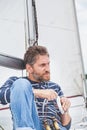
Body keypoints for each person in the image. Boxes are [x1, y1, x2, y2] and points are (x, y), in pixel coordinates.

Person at [0, 45, 71, 130]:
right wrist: (36, 92)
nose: (48, 69)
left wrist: (65, 110)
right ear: (29, 68)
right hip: (33, 126)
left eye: (48, 64)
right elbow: (1, 97)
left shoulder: (55, 87)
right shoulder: (16, 83)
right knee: (21, 84)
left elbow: (66, 125)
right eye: (42, 65)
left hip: (55, 127)